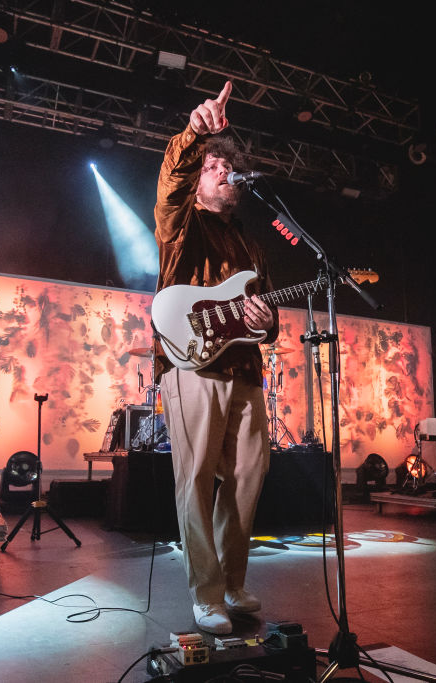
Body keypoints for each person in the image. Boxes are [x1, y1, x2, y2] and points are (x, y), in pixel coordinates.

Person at [152, 81, 279, 634]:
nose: (223, 171)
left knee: (249, 476)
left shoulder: (253, 246)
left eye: (227, 166)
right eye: (213, 166)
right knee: (196, 478)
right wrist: (194, 135)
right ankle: (205, 592)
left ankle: (230, 580)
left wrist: (266, 323)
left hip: (246, 370)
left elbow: (264, 318)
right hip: (193, 365)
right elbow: (169, 186)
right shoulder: (182, 225)